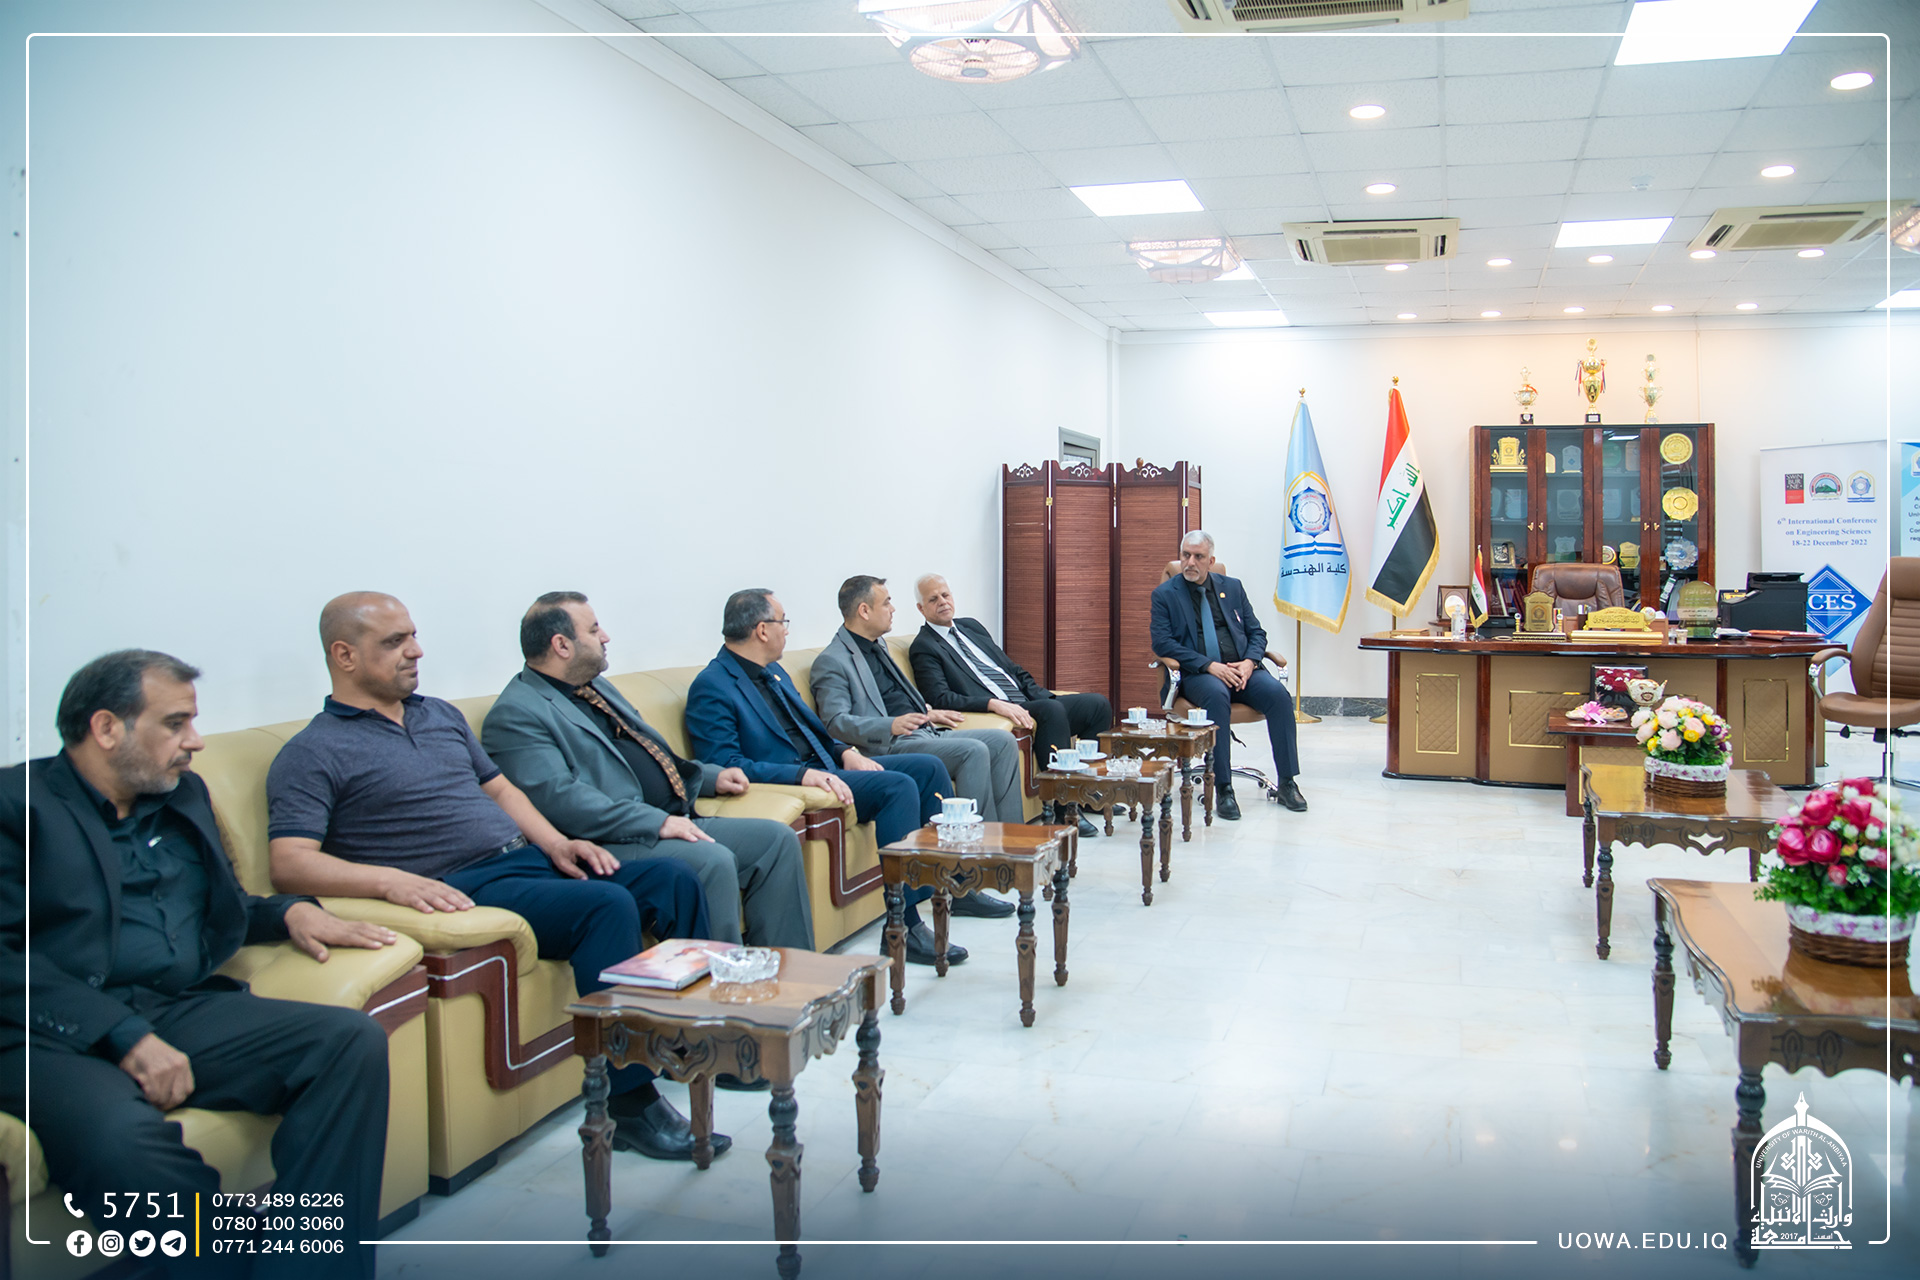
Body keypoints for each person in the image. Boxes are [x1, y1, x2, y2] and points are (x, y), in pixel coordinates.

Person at [265, 593, 727, 1160]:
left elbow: (501, 790)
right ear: (344, 656)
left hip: (525, 861)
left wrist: (558, 843)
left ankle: (695, 1046)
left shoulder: (438, 716)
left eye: (413, 635)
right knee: (606, 905)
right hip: (465, 885)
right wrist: (389, 882)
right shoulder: (313, 751)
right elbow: (289, 862)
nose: (416, 651)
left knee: (672, 879)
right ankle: (630, 1105)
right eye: (394, 642)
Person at [1, 650, 395, 1279]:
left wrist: (288, 912)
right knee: (122, 1142)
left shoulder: (182, 795)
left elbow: (222, 904)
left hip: (171, 1008)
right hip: (50, 1036)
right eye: (175, 723)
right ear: (106, 728)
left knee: (348, 1042)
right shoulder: (17, 805)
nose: (196, 741)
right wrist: (123, 1035)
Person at [481, 591, 813, 952]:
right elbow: (561, 799)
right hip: (613, 840)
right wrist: (656, 823)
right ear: (561, 645)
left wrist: (708, 777)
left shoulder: (596, 687)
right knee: (712, 861)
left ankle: (792, 971)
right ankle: (723, 982)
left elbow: (651, 753)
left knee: (776, 840)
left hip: (673, 817)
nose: (605, 636)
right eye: (593, 630)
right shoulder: (517, 714)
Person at [684, 588, 971, 965]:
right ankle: (903, 926)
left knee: (927, 767)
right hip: (797, 781)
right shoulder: (712, 686)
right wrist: (801, 775)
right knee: (897, 786)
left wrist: (844, 752)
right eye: (782, 621)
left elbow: (815, 730)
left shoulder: (774, 672)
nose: (787, 630)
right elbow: (724, 765)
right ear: (762, 630)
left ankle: (954, 884)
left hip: (828, 766)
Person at [810, 578, 1025, 917]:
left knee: (1001, 740)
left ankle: (1009, 850)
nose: (893, 608)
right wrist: (889, 725)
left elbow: (897, 697)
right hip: (889, 746)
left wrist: (928, 712)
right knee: (973, 751)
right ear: (864, 610)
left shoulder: (878, 646)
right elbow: (835, 722)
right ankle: (971, 873)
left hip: (924, 732)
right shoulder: (833, 660)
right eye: (886, 602)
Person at [907, 572, 1112, 839]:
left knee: (1097, 705)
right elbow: (941, 698)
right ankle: (1065, 806)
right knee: (1051, 711)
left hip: (1026, 700)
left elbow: (1011, 669)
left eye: (945, 595)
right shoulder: (924, 647)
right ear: (921, 608)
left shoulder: (971, 627)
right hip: (1000, 711)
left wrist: (1042, 695)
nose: (943, 602)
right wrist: (993, 704)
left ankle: (1088, 795)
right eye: (933, 599)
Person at [1149, 531, 1307, 817]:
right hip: (1199, 674)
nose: (1190, 562)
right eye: (1186, 555)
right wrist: (1209, 665)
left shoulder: (1232, 587)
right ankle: (1223, 789)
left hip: (1240, 670)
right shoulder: (1165, 595)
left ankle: (1287, 783)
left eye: (1198, 557)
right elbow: (1163, 643)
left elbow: (1256, 632)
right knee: (1216, 694)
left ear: (1211, 561)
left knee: (1278, 695)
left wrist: (1250, 662)